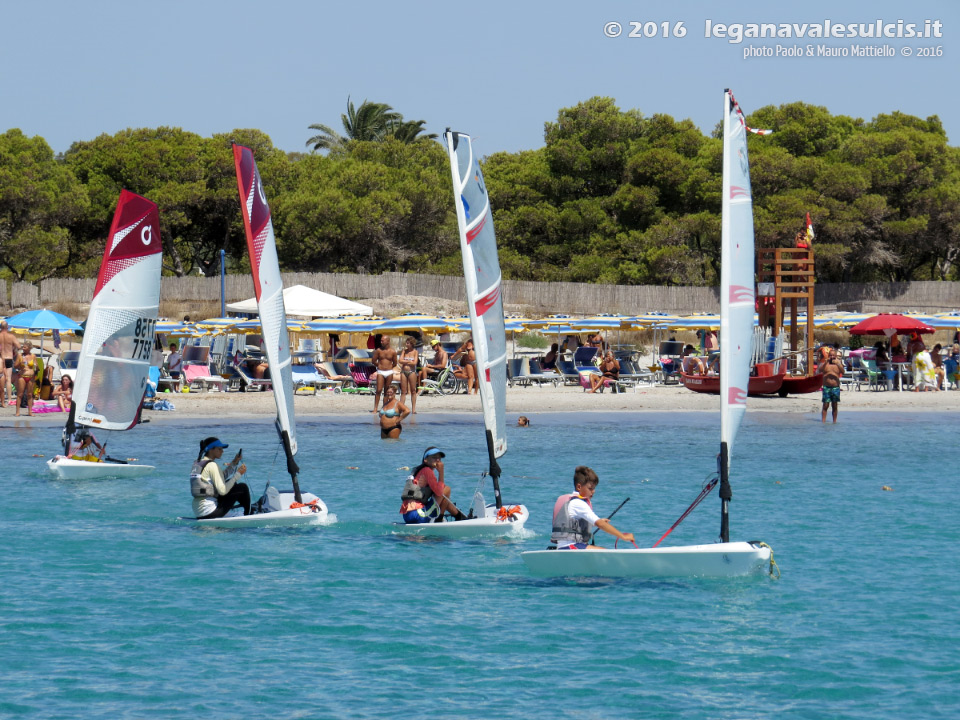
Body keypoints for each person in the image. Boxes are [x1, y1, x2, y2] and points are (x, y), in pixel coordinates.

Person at [550, 466, 635, 549]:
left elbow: (573, 524)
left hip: (565, 547)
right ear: (579, 487)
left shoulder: (571, 501)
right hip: (571, 546)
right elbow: (600, 524)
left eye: (594, 488)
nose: (593, 491)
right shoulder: (578, 503)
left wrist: (597, 522)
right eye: (590, 488)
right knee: (605, 553)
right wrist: (622, 536)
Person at [399, 447, 469, 523]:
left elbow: (443, 498)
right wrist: (441, 472)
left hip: (407, 515)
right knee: (446, 489)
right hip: (418, 514)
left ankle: (459, 516)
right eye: (434, 457)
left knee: (444, 497)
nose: (438, 460)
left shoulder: (420, 470)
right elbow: (440, 492)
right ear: (426, 460)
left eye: (439, 458)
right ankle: (439, 519)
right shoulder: (427, 471)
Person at [190, 437, 251, 519]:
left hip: (198, 512)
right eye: (219, 449)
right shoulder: (212, 465)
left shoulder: (198, 463)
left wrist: (234, 462)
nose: (222, 451)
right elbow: (222, 491)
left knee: (231, 483)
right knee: (242, 487)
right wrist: (238, 474)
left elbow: (221, 477)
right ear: (211, 450)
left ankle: (237, 510)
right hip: (210, 512)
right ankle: (248, 514)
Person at [371, 335, 398, 412]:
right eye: (381, 340)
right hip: (380, 372)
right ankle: (375, 408)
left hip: (389, 372)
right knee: (379, 390)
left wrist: (389, 367)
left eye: (383, 340)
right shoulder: (378, 350)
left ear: (388, 341)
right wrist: (379, 365)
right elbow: (373, 361)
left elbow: (395, 363)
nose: (381, 342)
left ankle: (384, 407)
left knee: (387, 390)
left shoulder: (393, 351)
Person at [818, 347, 844, 423]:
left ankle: (834, 422)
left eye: (833, 355)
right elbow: (820, 370)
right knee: (825, 405)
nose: (832, 357)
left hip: (835, 387)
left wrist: (838, 363)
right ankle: (823, 422)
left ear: (836, 356)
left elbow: (843, 371)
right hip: (826, 387)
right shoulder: (826, 364)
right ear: (828, 356)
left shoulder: (838, 364)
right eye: (830, 355)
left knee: (834, 405)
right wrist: (825, 362)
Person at [0, 320, 21, 408]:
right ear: (7, 327)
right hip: (8, 357)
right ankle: (9, 399)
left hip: (0, 358)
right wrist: (13, 349)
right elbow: (19, 346)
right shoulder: (11, 336)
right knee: (8, 379)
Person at [14, 341, 38, 416]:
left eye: (25, 347)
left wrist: (35, 366)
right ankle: (17, 412)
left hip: (31, 377)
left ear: (29, 348)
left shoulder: (33, 356)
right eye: (23, 347)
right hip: (22, 376)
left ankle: (30, 411)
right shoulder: (20, 355)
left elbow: (37, 366)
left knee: (30, 394)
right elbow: (15, 366)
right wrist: (20, 363)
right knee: (20, 394)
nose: (23, 348)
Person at [398, 336, 419, 413]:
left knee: (413, 390)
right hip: (403, 371)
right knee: (403, 391)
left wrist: (405, 361)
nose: (406, 344)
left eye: (408, 343)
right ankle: (401, 408)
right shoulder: (404, 351)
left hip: (411, 372)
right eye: (406, 343)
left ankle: (413, 409)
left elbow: (415, 363)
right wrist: (408, 362)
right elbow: (400, 360)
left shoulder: (415, 352)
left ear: (411, 344)